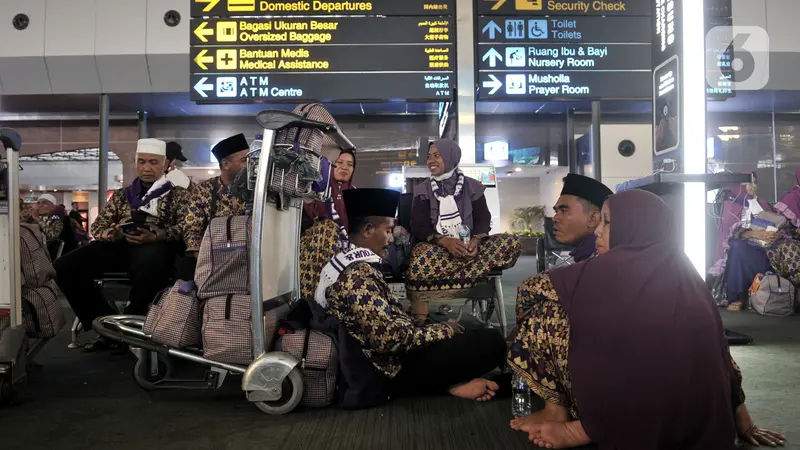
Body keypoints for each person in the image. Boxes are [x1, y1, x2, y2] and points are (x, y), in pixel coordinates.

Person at [508, 189, 785, 449]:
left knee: (547, 312)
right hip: (700, 422)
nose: (598, 230)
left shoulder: (600, 271)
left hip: (630, 421)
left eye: (606, 222)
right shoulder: (687, 274)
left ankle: (574, 422)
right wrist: (739, 414)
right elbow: (718, 351)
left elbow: (529, 292)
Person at [319, 188, 507, 402]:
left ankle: (451, 385)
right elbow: (390, 340)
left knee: (467, 333)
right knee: (491, 341)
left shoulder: (344, 262)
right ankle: (443, 385)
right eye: (388, 230)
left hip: (389, 360)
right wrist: (443, 330)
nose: (391, 240)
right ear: (369, 230)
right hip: (391, 371)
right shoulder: (357, 275)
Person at [54, 138, 188, 350]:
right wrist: (112, 234)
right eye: (142, 162)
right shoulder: (122, 195)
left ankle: (133, 327)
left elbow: (186, 227)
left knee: (151, 262)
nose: (146, 168)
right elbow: (98, 227)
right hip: (120, 246)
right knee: (63, 266)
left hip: (157, 248)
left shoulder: (179, 195)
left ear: (166, 164)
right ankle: (106, 324)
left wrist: (157, 235)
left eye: (153, 162)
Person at [406, 139, 521, 322]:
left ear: (451, 157)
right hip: (439, 250)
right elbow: (418, 226)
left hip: (469, 248)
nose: (430, 161)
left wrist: (475, 241)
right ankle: (421, 316)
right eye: (429, 157)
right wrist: (446, 241)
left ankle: (464, 265)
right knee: (420, 255)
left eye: (437, 155)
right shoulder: (423, 190)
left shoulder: (472, 186)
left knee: (511, 242)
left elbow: (484, 219)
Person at [299, 149, 356, 299]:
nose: (344, 167)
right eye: (339, 163)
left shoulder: (355, 195)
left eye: (349, 164)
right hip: (317, 253)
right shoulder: (313, 192)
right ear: (328, 166)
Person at [183, 134, 249, 256]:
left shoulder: (255, 189)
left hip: (249, 256)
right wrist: (203, 261)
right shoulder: (204, 190)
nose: (250, 164)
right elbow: (192, 229)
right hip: (213, 256)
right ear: (226, 164)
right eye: (244, 160)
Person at [551, 173, 613, 262]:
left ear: (593, 218)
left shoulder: (602, 261)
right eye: (556, 211)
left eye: (564, 211)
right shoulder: (585, 257)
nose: (555, 218)